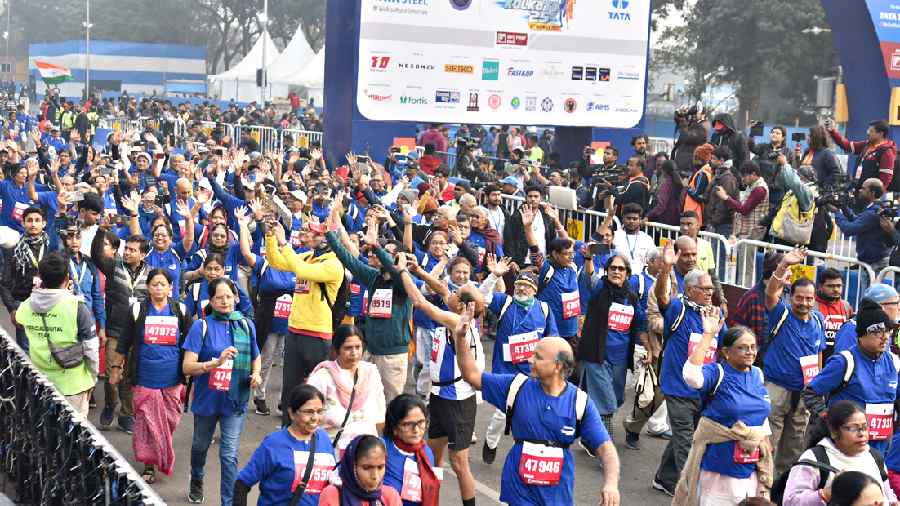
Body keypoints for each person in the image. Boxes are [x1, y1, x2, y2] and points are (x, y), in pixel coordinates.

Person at [452, 304, 621, 506]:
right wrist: (461, 338)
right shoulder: (516, 386)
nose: (530, 359)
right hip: (518, 491)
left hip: (557, 496)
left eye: (538, 357)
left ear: (558, 366)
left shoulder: (580, 402)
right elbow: (471, 375)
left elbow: (606, 448)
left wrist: (611, 484)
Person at [652, 244, 728, 496]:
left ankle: (664, 477)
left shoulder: (714, 314)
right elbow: (662, 297)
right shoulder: (678, 308)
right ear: (689, 289)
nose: (709, 292)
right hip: (677, 388)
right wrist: (667, 268)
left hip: (703, 389)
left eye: (710, 288)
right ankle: (689, 493)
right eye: (704, 289)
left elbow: (724, 347)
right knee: (687, 442)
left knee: (686, 437)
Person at [673, 321, 773, 505]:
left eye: (753, 347)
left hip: (750, 469)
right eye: (742, 348)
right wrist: (708, 335)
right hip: (718, 470)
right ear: (726, 352)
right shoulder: (718, 373)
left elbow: (761, 415)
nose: (750, 352)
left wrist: (765, 441)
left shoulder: (757, 374)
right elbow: (691, 376)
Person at [182, 277, 262, 505]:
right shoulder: (202, 326)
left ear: (236, 297)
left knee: (229, 456)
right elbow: (187, 367)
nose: (225, 301)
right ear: (212, 300)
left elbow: (256, 356)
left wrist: (256, 374)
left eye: (229, 296)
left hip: (235, 401)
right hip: (208, 400)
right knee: (199, 447)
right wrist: (214, 363)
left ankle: (228, 502)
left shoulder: (246, 325)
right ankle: (196, 478)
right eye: (219, 297)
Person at [325, 200, 413, 404]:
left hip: (393, 357)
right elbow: (350, 260)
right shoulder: (374, 277)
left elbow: (395, 271)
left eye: (386, 251)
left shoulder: (404, 282)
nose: (378, 253)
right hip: (370, 352)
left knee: (391, 405)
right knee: (362, 400)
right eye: (379, 250)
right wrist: (328, 234)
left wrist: (376, 245)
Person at [109, 268, 191, 483]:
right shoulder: (137, 310)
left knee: (167, 422)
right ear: (148, 287)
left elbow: (191, 344)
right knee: (148, 424)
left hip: (172, 379)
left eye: (163, 284)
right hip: (145, 378)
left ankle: (161, 453)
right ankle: (149, 465)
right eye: (154, 284)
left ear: (170, 288)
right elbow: (124, 341)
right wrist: (116, 369)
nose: (158, 288)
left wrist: (192, 371)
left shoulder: (180, 310)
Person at [265, 217, 344, 427]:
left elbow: (302, 271)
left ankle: (317, 435)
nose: (312, 236)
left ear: (329, 238)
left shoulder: (334, 265)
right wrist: (271, 236)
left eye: (318, 234)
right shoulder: (308, 256)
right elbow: (276, 262)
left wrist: (284, 243)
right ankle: (287, 432)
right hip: (295, 332)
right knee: (290, 390)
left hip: (317, 335)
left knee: (319, 391)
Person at [804, 298, 900, 457]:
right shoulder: (844, 361)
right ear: (861, 335)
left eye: (887, 331)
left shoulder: (893, 362)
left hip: (879, 451)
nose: (884, 337)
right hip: (844, 451)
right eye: (876, 331)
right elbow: (810, 393)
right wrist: (830, 420)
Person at [481, 269, 558, 464]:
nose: (522, 288)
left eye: (527, 286)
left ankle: (525, 453)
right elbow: (481, 296)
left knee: (530, 413)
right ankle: (491, 442)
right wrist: (494, 276)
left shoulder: (544, 309)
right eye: (519, 285)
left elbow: (553, 339)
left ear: (535, 290)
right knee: (502, 412)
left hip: (532, 372)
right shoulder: (505, 303)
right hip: (505, 370)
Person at [763, 248, 826, 475]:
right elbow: (771, 293)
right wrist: (784, 265)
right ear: (791, 297)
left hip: (804, 395)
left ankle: (781, 492)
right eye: (799, 298)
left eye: (809, 299)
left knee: (793, 451)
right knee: (767, 446)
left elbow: (819, 353)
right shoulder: (781, 313)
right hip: (776, 390)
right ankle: (761, 491)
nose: (805, 303)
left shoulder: (819, 320)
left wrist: (817, 387)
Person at [17, 251, 99, 416]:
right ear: (67, 278)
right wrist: (92, 378)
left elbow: (20, 323)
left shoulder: (25, 307)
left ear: (40, 277)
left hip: (41, 385)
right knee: (73, 439)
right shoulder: (78, 307)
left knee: (45, 436)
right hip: (74, 385)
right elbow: (91, 350)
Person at [577, 253, 647, 442]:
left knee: (616, 399)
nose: (616, 271)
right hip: (596, 356)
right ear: (607, 271)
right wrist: (589, 260)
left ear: (628, 273)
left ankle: (587, 434)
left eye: (621, 268)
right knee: (606, 402)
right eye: (613, 268)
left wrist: (648, 348)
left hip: (621, 359)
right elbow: (590, 278)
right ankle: (604, 447)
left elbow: (641, 323)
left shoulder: (631, 297)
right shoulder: (600, 288)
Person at [234, 384, 336, 506]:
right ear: (292, 413)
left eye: (320, 411)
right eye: (308, 412)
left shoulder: (324, 439)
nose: (315, 417)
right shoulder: (274, 444)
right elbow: (242, 484)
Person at [782, 401, 898, 504]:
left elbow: (887, 495)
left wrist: (893, 502)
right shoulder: (816, 459)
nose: (862, 434)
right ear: (834, 432)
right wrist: (826, 494)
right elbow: (790, 501)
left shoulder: (874, 456)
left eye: (865, 427)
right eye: (853, 428)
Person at [307, 325, 386, 453]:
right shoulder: (322, 377)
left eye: (358, 347)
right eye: (348, 348)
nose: (354, 353)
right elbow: (308, 415)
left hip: (368, 451)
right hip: (332, 451)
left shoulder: (371, 373)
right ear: (336, 349)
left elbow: (380, 416)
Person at [2, 207, 49, 351]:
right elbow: (4, 283)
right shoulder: (14, 250)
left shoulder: (51, 248)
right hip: (22, 305)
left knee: (47, 350)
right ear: (23, 223)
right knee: (26, 351)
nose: (33, 224)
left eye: (37, 220)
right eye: (29, 220)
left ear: (44, 223)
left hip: (48, 305)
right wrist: (12, 309)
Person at [382, 395, 441, 506]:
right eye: (408, 424)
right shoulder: (380, 450)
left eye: (421, 422)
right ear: (394, 427)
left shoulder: (426, 453)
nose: (416, 430)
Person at [318, 435, 403, 506]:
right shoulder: (333, 495)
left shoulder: (390, 496)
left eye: (380, 467)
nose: (375, 476)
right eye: (366, 468)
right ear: (352, 466)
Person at [833, 178, 893, 275]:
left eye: (863, 189)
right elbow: (857, 220)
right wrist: (843, 208)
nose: (860, 190)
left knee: (869, 290)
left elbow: (849, 229)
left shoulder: (872, 213)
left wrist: (836, 213)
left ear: (872, 193)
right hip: (873, 262)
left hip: (874, 264)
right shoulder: (874, 209)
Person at [827, 118, 896, 190]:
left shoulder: (887, 152)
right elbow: (847, 145)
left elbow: (885, 179)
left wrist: (874, 196)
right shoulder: (866, 145)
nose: (868, 132)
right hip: (859, 190)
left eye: (871, 131)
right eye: (868, 130)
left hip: (870, 195)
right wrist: (833, 131)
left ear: (881, 134)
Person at [503, 184, 559, 266]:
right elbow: (509, 239)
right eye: (530, 196)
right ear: (526, 198)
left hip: (543, 261)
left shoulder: (546, 216)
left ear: (541, 198)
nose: (533, 199)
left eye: (536, 196)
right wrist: (512, 260)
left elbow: (551, 238)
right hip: (523, 261)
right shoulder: (517, 215)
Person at [816, 268, 855, 360]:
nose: (836, 289)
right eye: (830, 286)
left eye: (839, 286)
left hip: (840, 357)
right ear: (820, 286)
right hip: (818, 355)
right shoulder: (812, 306)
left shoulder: (846, 306)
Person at [611, 203, 656, 273]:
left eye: (635, 219)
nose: (631, 221)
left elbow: (654, 259)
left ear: (640, 220)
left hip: (640, 279)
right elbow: (595, 246)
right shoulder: (614, 236)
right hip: (619, 276)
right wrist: (608, 218)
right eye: (628, 218)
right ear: (623, 218)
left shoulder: (647, 239)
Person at [705, 146, 739, 239]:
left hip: (722, 225)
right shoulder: (719, 175)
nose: (710, 161)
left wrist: (713, 223)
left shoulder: (727, 178)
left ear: (721, 160)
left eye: (713, 159)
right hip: (716, 223)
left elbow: (723, 205)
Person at [683, 144, 714, 229]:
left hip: (694, 213)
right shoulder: (707, 172)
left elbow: (697, 195)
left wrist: (687, 187)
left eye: (696, 158)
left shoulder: (702, 174)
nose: (694, 161)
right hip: (695, 214)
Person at [646, 159, 684, 226]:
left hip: (666, 222)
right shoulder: (681, 183)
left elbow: (661, 206)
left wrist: (648, 216)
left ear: (663, 171)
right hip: (678, 221)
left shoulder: (666, 185)